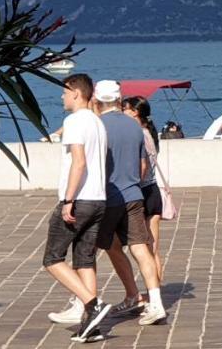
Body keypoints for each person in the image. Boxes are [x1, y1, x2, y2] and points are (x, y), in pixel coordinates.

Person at [42, 73, 113, 342]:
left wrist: (68, 200)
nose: (62, 97)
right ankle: (91, 324)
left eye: (64, 92)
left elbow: (79, 163)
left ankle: (91, 303)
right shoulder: (97, 122)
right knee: (85, 259)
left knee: (52, 259)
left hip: (79, 199)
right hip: (98, 199)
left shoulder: (74, 121)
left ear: (75, 93)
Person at [94, 80, 167, 327]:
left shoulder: (97, 125)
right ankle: (155, 303)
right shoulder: (135, 126)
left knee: (104, 247)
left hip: (108, 196)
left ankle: (124, 296)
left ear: (96, 100)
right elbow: (143, 166)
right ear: (118, 99)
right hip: (134, 194)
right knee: (140, 248)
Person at [123, 95, 165, 283]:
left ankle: (153, 292)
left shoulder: (140, 134)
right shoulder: (150, 132)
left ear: (135, 112)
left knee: (147, 249)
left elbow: (143, 166)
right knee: (153, 249)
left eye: (125, 109)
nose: (122, 112)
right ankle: (156, 291)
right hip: (153, 190)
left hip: (144, 191)